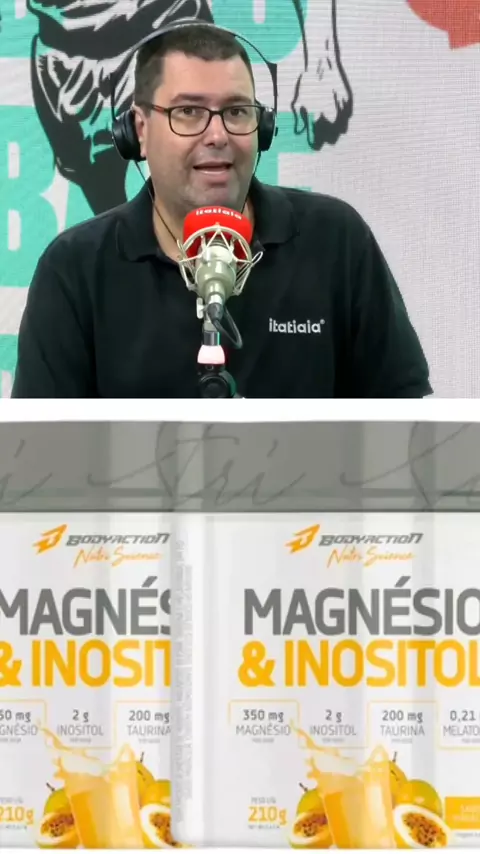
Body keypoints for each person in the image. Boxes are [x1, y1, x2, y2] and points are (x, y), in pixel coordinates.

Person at [11, 23, 432, 398]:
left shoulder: (336, 241)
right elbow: (40, 448)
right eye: (189, 112)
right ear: (139, 130)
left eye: (236, 111)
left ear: (262, 128)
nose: (217, 135)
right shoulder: (76, 268)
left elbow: (407, 424)